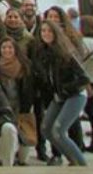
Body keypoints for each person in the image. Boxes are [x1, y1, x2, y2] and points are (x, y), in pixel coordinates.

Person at [35, 20, 90, 166]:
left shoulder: (67, 53)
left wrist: (65, 89)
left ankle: (82, 165)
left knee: (58, 130)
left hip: (75, 95)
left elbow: (84, 78)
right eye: (43, 31)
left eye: (49, 31)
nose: (46, 34)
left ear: (56, 33)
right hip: (59, 96)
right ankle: (72, 161)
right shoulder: (43, 53)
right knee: (46, 129)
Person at [0, 37, 35, 165]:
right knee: (5, 131)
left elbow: (29, 88)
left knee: (23, 133)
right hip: (3, 105)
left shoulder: (25, 65)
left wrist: (28, 106)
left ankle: (22, 158)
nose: (7, 50)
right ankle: (5, 157)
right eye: (4, 47)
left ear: (15, 49)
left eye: (10, 47)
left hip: (21, 104)